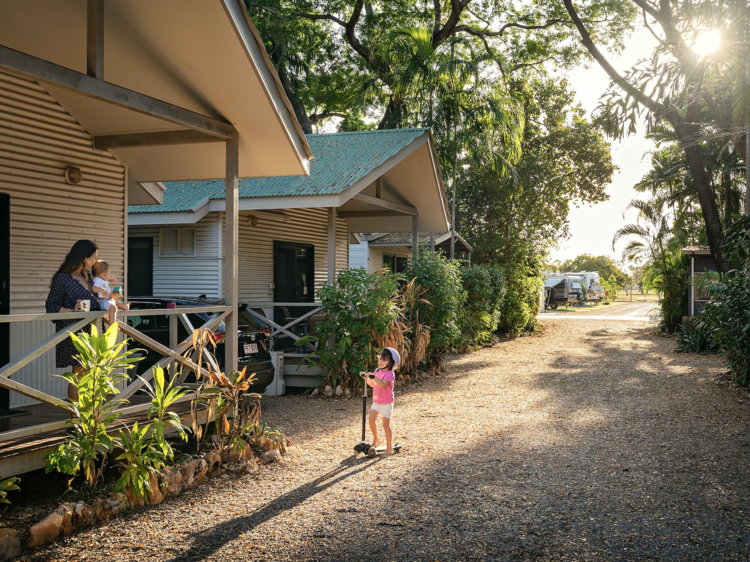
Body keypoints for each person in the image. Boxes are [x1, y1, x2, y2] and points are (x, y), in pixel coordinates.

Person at [45, 240, 121, 401]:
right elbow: (51, 306)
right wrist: (73, 310)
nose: (95, 262)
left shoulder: (90, 277)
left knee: (91, 374)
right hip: (74, 331)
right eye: (93, 258)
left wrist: (110, 298)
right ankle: (76, 420)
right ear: (83, 258)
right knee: (78, 374)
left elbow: (97, 301)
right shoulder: (63, 278)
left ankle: (87, 417)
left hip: (92, 330)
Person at [360, 347, 399, 455]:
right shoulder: (377, 371)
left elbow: (382, 385)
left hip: (386, 403)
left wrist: (374, 377)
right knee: (371, 419)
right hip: (376, 402)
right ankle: (376, 438)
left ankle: (389, 448)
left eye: (384, 360)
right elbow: (372, 384)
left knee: (385, 425)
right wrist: (365, 377)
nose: (381, 362)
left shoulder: (390, 374)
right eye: (380, 359)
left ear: (391, 362)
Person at [92, 261, 130, 325]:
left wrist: (109, 279)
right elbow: (93, 288)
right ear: (104, 274)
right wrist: (101, 290)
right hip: (102, 301)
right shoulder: (99, 281)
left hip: (106, 300)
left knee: (113, 301)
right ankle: (113, 325)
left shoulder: (99, 279)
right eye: (108, 274)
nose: (109, 276)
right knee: (113, 307)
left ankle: (124, 306)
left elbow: (103, 278)